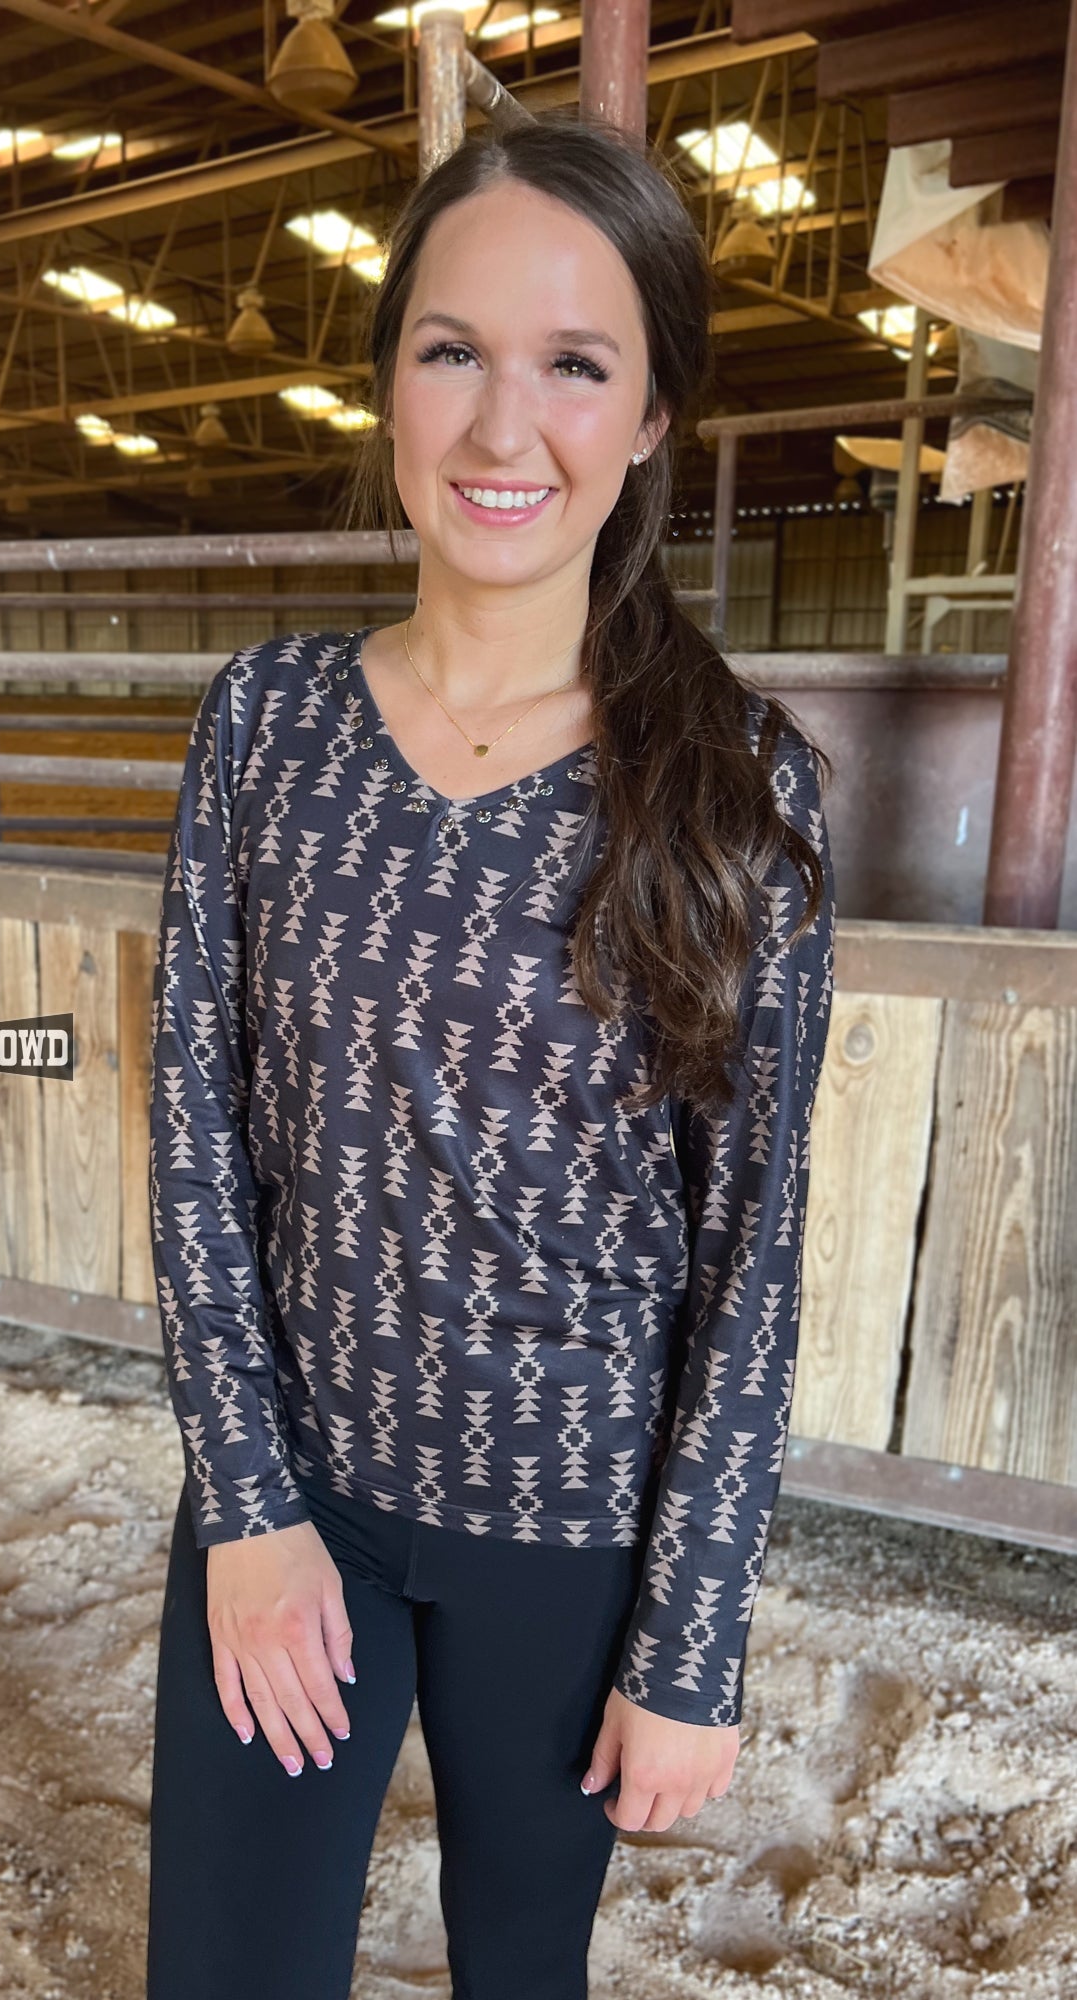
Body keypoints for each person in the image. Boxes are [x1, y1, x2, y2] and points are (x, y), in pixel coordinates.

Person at [145, 108, 836, 2000]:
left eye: (572, 365)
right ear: (386, 385)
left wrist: (687, 1646)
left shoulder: (732, 798)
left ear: (649, 423)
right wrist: (250, 1507)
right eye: (450, 350)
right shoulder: (268, 725)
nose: (500, 426)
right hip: (299, 1508)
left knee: (517, 1974)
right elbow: (197, 1138)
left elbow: (747, 1260)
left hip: (570, 1533)